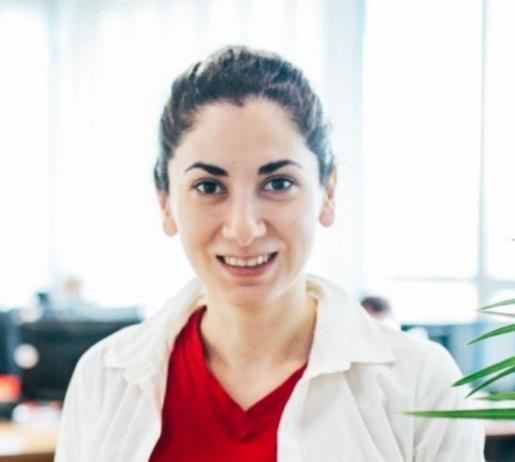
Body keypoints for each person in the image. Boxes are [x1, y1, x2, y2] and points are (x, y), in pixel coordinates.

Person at [55, 46, 485, 461]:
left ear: (328, 194)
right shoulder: (104, 378)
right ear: (166, 203)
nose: (244, 229)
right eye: (209, 186)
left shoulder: (421, 383)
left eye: (278, 183)